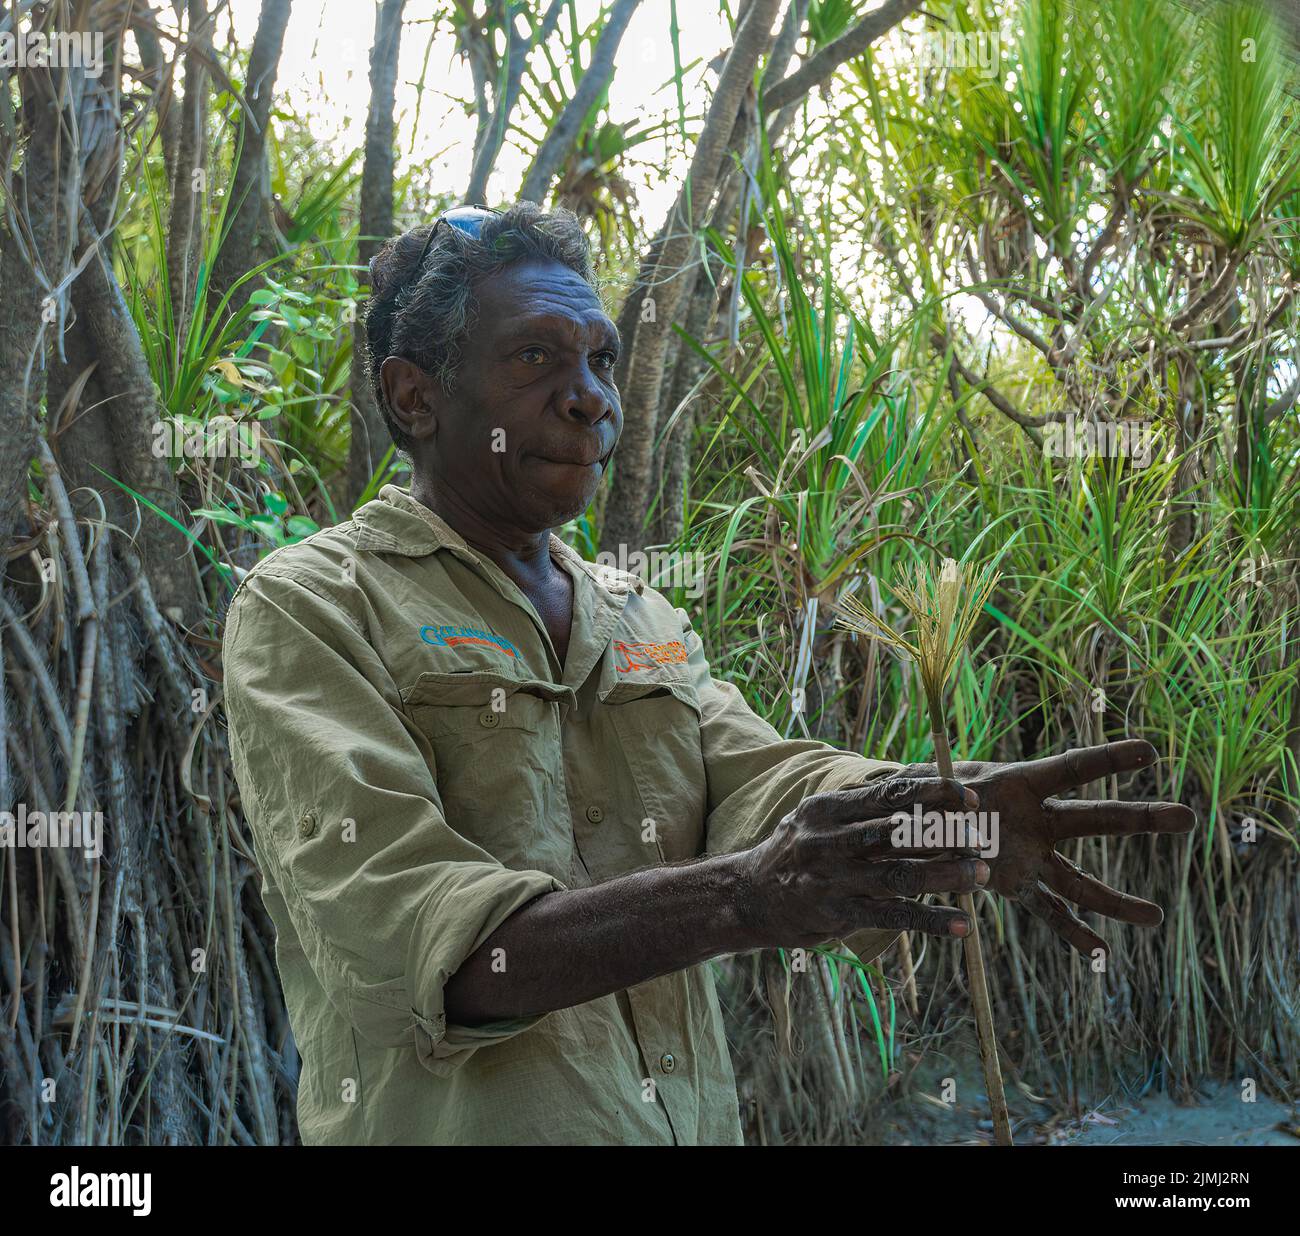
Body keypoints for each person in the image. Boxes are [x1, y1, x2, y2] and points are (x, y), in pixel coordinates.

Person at [222, 201, 1195, 1145]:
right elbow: (415, 947)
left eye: (600, 358)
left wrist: (926, 808)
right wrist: (743, 898)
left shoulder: (638, 615)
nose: (589, 395)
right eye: (535, 356)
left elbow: (765, 781)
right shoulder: (311, 606)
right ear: (414, 396)